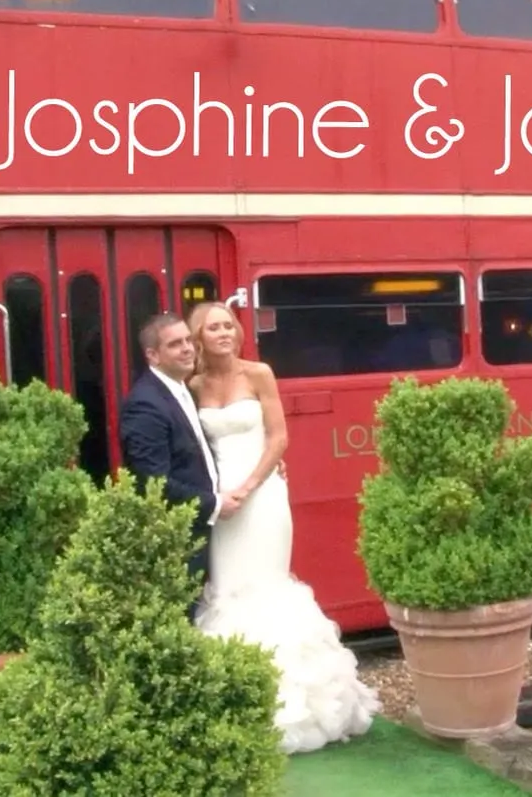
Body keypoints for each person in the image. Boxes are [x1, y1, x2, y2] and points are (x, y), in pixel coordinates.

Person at [185, 301, 381, 754]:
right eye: (213, 328)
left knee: (269, 587)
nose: (224, 333)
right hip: (221, 503)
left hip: (262, 498)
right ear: (199, 338)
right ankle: (239, 700)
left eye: (228, 325)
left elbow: (279, 437)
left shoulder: (259, 374)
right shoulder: (193, 386)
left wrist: (249, 486)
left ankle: (296, 707)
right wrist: (220, 495)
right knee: (228, 588)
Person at [118, 313, 243, 619]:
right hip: (179, 536)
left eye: (188, 340)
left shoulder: (181, 388)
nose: (188, 348)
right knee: (183, 615)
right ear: (153, 355)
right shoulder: (145, 405)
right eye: (175, 344)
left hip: (202, 526)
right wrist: (214, 504)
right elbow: (153, 482)